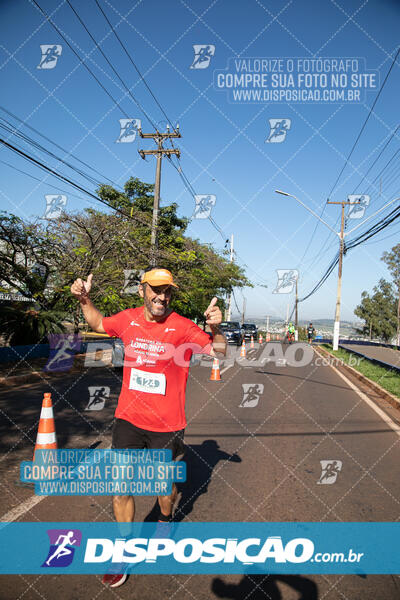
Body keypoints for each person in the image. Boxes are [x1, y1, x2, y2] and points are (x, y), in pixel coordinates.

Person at [70, 267, 226, 588]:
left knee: (163, 490)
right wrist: (85, 299)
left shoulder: (182, 328)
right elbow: (98, 323)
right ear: (143, 290)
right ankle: (123, 549)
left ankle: (165, 520)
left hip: (166, 426)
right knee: (121, 486)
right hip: (128, 420)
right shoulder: (127, 320)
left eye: (167, 291)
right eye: (156, 289)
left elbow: (218, 353)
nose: (161, 296)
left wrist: (217, 329)